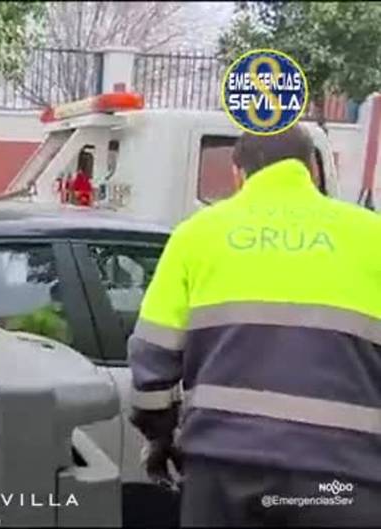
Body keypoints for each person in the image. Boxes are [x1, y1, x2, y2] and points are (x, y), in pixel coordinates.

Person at [127, 124, 381, 526]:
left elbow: (152, 359)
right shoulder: (373, 236)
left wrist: (160, 437)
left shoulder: (196, 235)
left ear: (237, 174)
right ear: (312, 170)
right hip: (344, 478)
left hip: (222, 471)